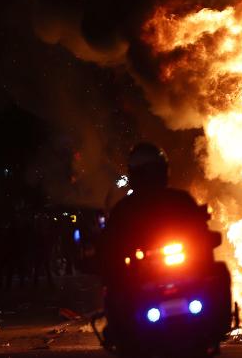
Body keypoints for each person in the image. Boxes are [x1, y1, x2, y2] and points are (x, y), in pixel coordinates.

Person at [99, 143, 210, 343]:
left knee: (215, 275)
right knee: (114, 289)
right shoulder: (124, 210)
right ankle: (119, 332)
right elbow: (109, 249)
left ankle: (213, 323)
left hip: (183, 273)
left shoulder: (180, 201)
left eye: (153, 172)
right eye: (145, 173)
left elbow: (202, 236)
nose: (149, 178)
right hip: (137, 280)